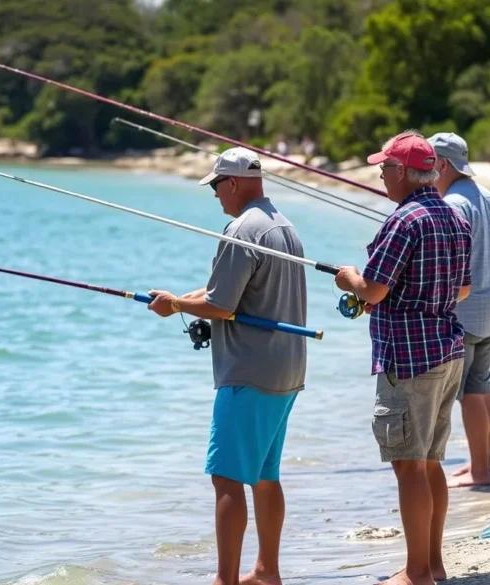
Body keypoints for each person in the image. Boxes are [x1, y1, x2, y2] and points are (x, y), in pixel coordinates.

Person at [147, 147, 308, 585]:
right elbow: (230, 289)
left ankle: (225, 580)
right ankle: (267, 572)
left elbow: (219, 304)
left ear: (233, 183)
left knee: (226, 478)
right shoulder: (283, 225)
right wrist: (183, 297)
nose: (216, 196)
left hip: (248, 372)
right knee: (264, 476)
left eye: (217, 187)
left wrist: (175, 305)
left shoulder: (241, 229)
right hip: (287, 369)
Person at [335, 130, 472, 585]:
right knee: (430, 461)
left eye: (385, 168)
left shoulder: (406, 220)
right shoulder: (454, 217)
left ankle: (417, 574)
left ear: (405, 173)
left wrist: (350, 279)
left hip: (409, 357)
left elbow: (372, 289)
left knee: (409, 464)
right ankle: (432, 564)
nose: (380, 175)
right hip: (448, 349)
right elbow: (464, 288)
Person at [428, 132, 490, 488]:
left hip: (466, 310)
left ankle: (481, 470)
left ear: (442, 164)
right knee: (482, 386)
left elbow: (450, 266)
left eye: (429, 164)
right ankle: (481, 463)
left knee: (469, 393)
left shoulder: (454, 205)